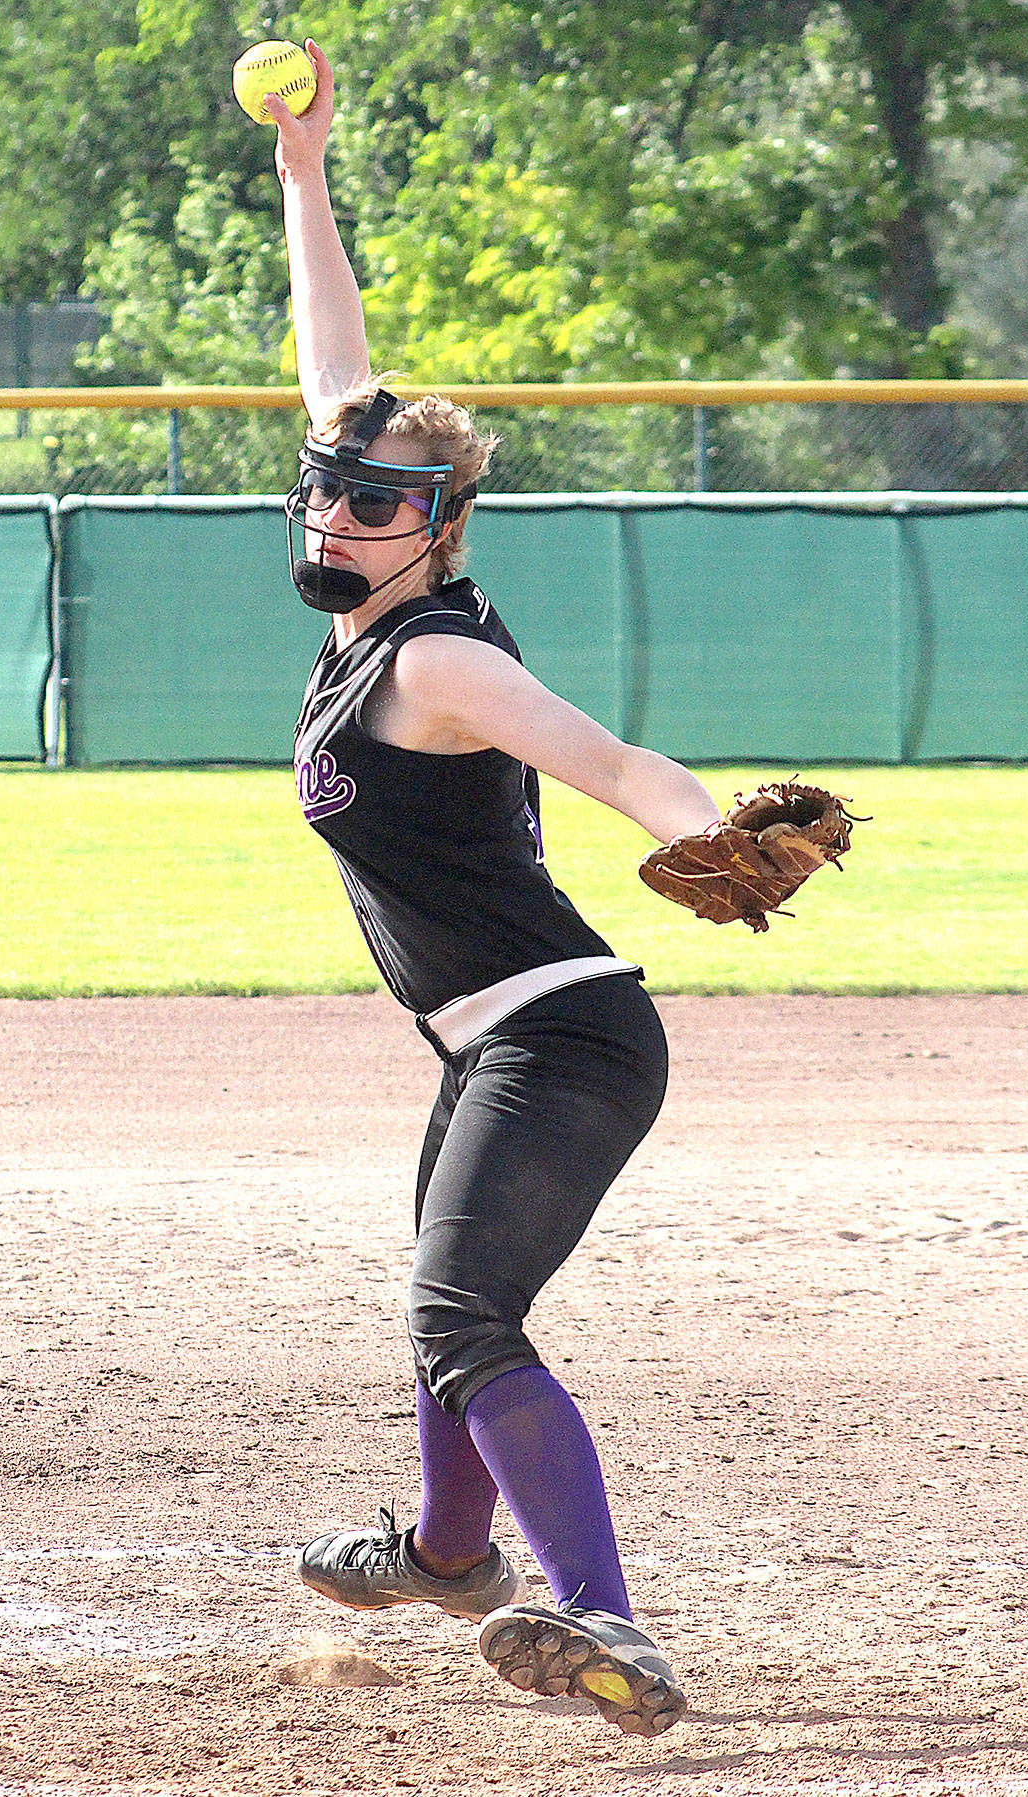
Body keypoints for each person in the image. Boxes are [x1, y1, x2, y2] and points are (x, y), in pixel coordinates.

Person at [269, 43, 721, 1739]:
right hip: (490, 1042)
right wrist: (308, 179)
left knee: (461, 1307)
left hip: (564, 1033)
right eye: (331, 483)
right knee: (451, 1295)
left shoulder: (440, 662)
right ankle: (450, 1549)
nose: (338, 502)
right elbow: (338, 367)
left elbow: (608, 762)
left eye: (375, 497)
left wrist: (706, 830)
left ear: (438, 531)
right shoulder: (362, 618)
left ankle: (604, 1616)